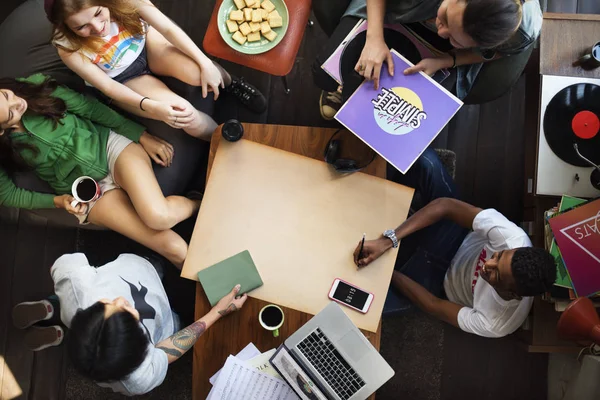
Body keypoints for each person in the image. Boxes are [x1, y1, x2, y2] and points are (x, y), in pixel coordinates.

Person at [0, 73, 199, 267]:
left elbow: (91, 109)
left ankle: (198, 203)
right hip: (86, 192)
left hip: (109, 147)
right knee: (175, 248)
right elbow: (8, 195)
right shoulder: (6, 147)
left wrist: (141, 136)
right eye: (10, 114)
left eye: (7, 96)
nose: (17, 104)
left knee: (159, 217)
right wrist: (58, 201)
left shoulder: (37, 86)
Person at [353, 150, 556, 338]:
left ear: (513, 294)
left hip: (434, 281)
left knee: (357, 303)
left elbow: (433, 305)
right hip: (453, 236)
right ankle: (381, 186)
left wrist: (388, 272)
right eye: (498, 256)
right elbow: (446, 207)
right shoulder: (512, 238)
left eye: (496, 275)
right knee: (426, 161)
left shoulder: (497, 323)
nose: (488, 265)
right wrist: (389, 240)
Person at [11, 253, 248, 395]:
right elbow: (165, 351)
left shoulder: (77, 285)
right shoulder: (139, 378)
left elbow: (61, 265)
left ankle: (56, 315)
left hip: (140, 269)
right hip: (154, 295)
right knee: (70, 314)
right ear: (142, 345)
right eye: (128, 312)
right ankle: (56, 317)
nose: (121, 300)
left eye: (105, 304)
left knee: (69, 312)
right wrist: (217, 311)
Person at [45, 0, 267, 140]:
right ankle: (224, 140)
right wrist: (152, 107)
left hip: (148, 45)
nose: (97, 28)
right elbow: (107, 86)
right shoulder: (67, 46)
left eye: (98, 13)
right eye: (81, 27)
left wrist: (205, 63)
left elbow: (168, 29)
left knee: (198, 71)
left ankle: (232, 84)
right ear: (67, 27)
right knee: (182, 113)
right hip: (122, 78)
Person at [313, 0, 542, 119]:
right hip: (396, 10)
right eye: (444, 18)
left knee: (412, 119)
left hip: (440, 54)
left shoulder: (521, 32)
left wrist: (447, 60)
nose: (442, 31)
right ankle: (341, 88)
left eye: (455, 38)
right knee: (324, 74)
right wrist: (374, 37)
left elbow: (495, 53)